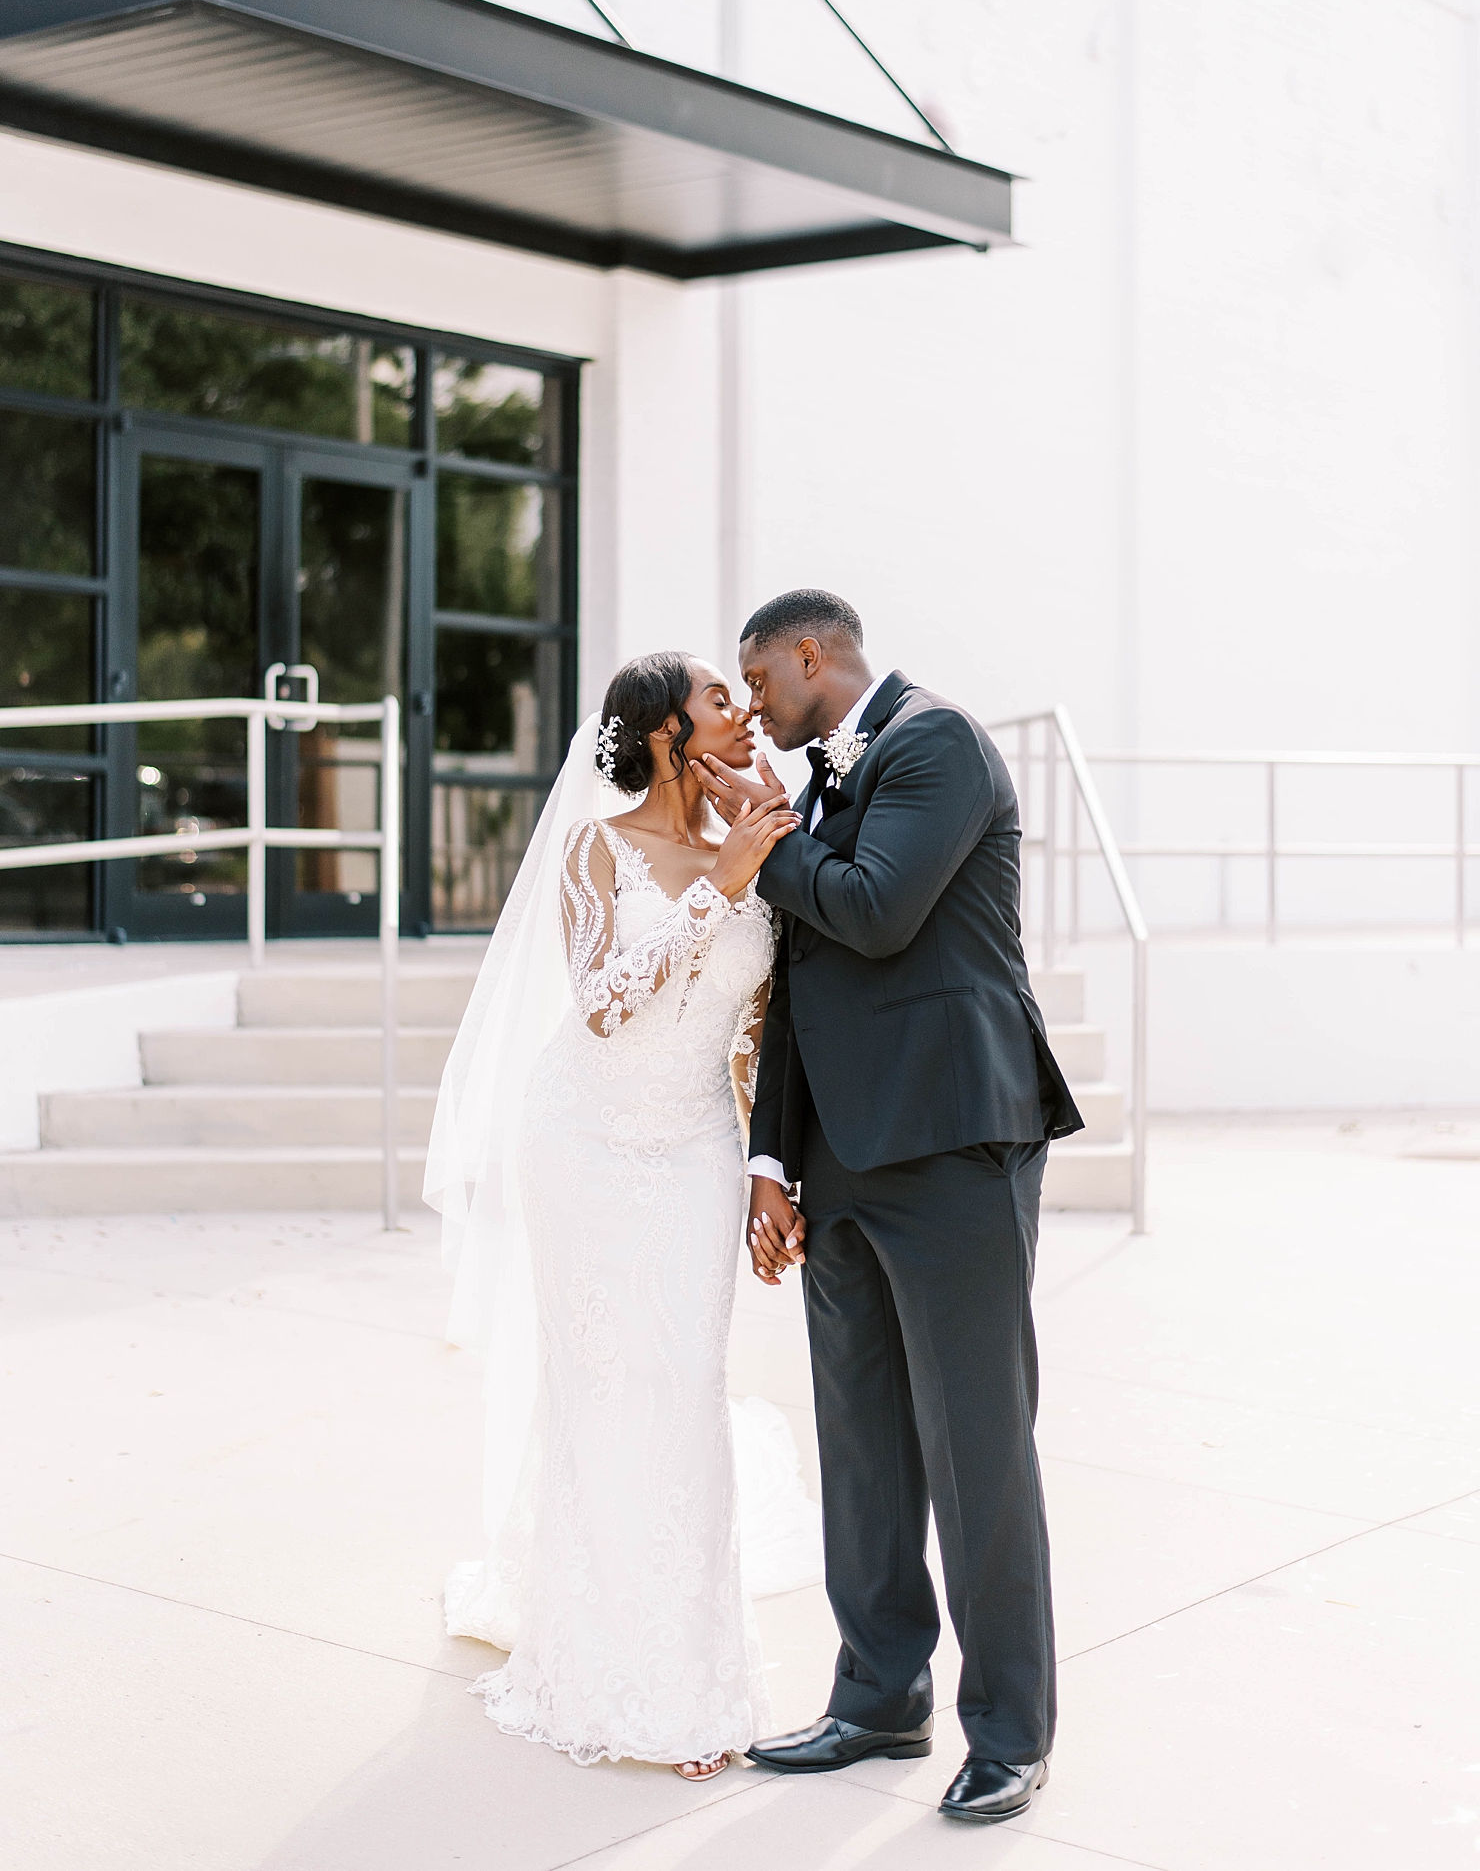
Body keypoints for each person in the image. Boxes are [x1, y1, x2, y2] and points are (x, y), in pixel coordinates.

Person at [689, 588, 1084, 1826]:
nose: (750, 703)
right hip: (839, 1157)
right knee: (860, 1441)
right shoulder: (812, 786)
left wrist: (761, 828)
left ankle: (1010, 1728)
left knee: (976, 1446)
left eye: (759, 677)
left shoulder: (939, 742)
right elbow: (797, 990)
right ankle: (877, 1695)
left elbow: (873, 907)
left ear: (813, 652)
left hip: (956, 1141)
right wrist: (771, 1158)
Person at [425, 652, 801, 1780]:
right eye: (721, 698)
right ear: (661, 732)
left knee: (681, 1385)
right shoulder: (599, 847)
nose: (746, 711)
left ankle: (691, 1673)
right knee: (602, 1382)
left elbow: (758, 1029)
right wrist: (718, 883)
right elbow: (598, 1003)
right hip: (583, 1141)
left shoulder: (763, 838)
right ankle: (604, 1665)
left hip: (696, 1144)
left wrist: (766, 1167)